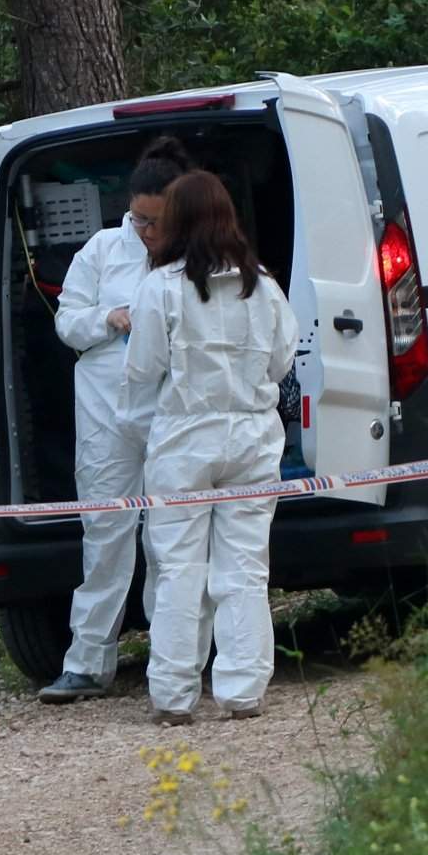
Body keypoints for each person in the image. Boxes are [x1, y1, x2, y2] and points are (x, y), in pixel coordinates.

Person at [125, 172, 298, 726]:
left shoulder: (161, 287)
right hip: (252, 437)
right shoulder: (264, 285)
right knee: (245, 566)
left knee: (179, 568)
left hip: (183, 439)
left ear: (176, 221)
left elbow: (142, 369)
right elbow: (282, 361)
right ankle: (243, 690)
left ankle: (174, 696)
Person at [36, 137, 192, 705]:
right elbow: (68, 323)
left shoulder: (194, 255)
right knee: (105, 531)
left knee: (170, 534)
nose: (147, 230)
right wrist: (112, 316)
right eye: (139, 218)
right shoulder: (102, 249)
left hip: (171, 410)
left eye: (158, 221)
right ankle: (87, 662)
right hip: (104, 409)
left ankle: (173, 658)